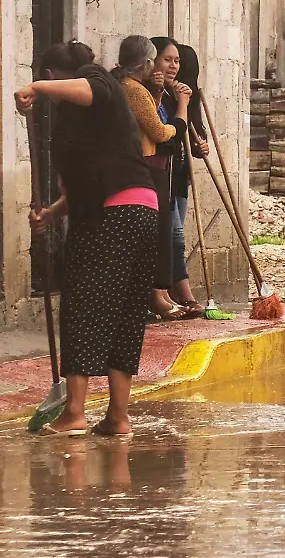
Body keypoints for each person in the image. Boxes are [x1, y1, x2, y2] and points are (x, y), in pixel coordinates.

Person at [16, 41, 159, 436]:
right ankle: (117, 417)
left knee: (83, 306)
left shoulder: (100, 82)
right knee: (128, 312)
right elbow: (78, 190)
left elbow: (88, 88)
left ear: (50, 76)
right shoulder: (86, 125)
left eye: (47, 83)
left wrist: (38, 90)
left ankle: (75, 413)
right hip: (141, 212)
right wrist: (51, 213)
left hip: (112, 216)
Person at [116, 36, 189, 320]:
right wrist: (177, 124)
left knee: (155, 236)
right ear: (148, 63)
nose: (170, 67)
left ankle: (157, 296)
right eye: (163, 60)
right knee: (151, 236)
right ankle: (148, 299)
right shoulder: (132, 90)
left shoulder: (139, 90)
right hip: (145, 166)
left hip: (151, 166)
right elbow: (159, 133)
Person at [152, 39, 210, 315]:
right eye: (168, 60)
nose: (174, 67)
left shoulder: (181, 95)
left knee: (175, 235)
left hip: (180, 177)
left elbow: (189, 133)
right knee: (173, 235)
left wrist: (200, 146)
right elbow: (168, 133)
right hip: (161, 175)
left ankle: (174, 290)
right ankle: (181, 293)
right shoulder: (154, 94)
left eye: (177, 62)